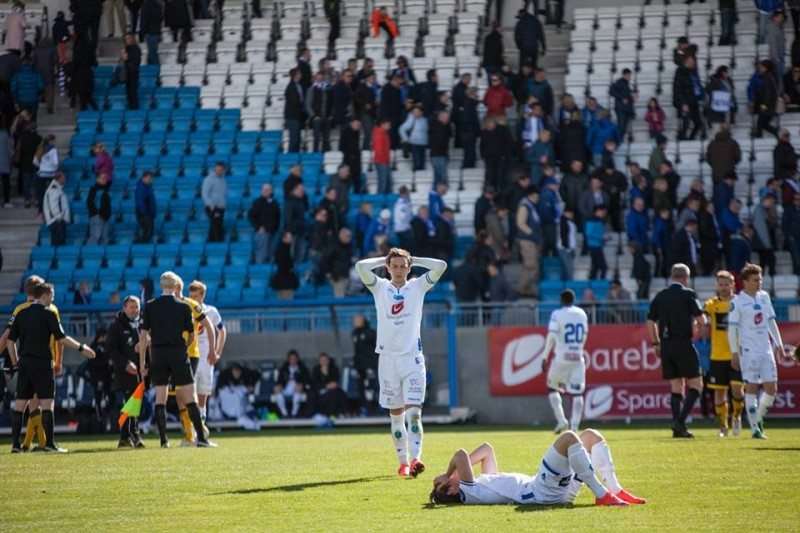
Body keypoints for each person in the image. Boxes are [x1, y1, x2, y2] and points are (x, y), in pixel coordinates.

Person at [355, 248, 447, 478]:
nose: (398, 270)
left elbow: (441, 266)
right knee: (396, 417)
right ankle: (403, 462)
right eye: (393, 266)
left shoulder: (417, 286)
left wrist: (414, 259)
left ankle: (416, 459)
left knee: (413, 415)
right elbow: (360, 267)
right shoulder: (379, 287)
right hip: (387, 361)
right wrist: (385, 258)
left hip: (412, 359)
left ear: (409, 267)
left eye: (402, 266)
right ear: (388, 268)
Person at [429, 429, 644, 506]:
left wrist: (450, 476)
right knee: (569, 438)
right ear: (452, 489)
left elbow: (487, 450)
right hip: (540, 492)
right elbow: (460, 455)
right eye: (444, 484)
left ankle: (615, 489)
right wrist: (447, 473)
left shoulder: (481, 486)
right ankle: (601, 494)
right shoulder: (468, 491)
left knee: (590, 436)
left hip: (551, 492)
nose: (447, 479)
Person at [7, 282, 97, 453]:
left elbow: (11, 341)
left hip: (25, 364)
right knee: (47, 403)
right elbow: (61, 338)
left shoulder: (21, 313)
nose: (53, 297)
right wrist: (81, 348)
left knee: (20, 404)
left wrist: (15, 361)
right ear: (45, 295)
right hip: (42, 364)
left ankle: (15, 446)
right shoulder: (49, 314)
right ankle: (50, 444)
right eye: (52, 294)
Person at [138, 272, 216, 448]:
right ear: (175, 287)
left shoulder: (150, 306)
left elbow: (143, 337)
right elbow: (190, 336)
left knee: (160, 398)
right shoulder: (183, 307)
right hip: (178, 354)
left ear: (161, 286)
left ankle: (164, 440)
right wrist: (182, 347)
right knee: (190, 396)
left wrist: (143, 363)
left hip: (158, 354)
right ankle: (201, 439)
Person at [728, 263, 789, 439]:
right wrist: (734, 352)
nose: (759, 282)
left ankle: (758, 417)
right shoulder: (737, 302)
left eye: (760, 279)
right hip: (748, 350)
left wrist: (778, 343)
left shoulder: (764, 297)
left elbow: (770, 321)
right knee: (752, 387)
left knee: (772, 388)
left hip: (766, 348)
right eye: (755, 280)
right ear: (745, 282)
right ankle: (755, 428)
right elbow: (732, 329)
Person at [646, 263, 707, 439]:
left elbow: (650, 322)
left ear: (672, 277)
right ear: (686, 278)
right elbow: (701, 319)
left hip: (665, 346)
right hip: (683, 344)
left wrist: (655, 343)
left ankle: (677, 429)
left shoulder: (661, 296)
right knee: (696, 385)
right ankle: (679, 421)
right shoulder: (688, 294)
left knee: (676, 386)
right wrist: (698, 327)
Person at [703, 271, 745, 438]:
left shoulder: (739, 303)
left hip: (736, 354)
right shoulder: (711, 304)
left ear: (733, 285)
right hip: (717, 355)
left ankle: (737, 417)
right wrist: (703, 323)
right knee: (719, 392)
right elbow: (703, 317)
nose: (723, 287)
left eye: (727, 284)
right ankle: (723, 426)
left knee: (737, 390)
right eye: (720, 284)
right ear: (716, 286)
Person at [541, 290, 589, 433]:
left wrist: (544, 356)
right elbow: (585, 335)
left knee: (552, 388)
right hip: (577, 357)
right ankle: (575, 427)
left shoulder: (557, 314)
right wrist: (578, 349)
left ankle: (562, 421)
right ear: (573, 300)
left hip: (561, 357)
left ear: (561, 300)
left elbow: (551, 336)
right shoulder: (582, 314)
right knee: (578, 393)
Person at [106, 295, 145, 448]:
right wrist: (125, 363)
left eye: (137, 307)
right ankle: (127, 436)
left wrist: (145, 365)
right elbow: (110, 349)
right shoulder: (116, 326)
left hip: (140, 373)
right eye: (131, 307)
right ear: (124, 308)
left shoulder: (142, 324)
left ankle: (131, 436)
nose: (134, 310)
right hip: (123, 373)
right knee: (127, 405)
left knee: (136, 406)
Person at [188, 281, 226, 435]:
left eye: (196, 296)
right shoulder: (186, 309)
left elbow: (222, 331)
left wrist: (216, 351)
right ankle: (190, 430)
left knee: (203, 393)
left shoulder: (211, 311)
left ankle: (201, 427)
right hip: (190, 356)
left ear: (202, 295)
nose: (193, 299)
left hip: (206, 358)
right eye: (190, 296)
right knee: (190, 393)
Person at [515, 185, 542, 298]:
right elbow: (520, 223)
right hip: (527, 240)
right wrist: (532, 233)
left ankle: (527, 290)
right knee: (531, 265)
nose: (538, 198)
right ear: (531, 195)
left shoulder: (532, 206)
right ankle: (520, 288)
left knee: (532, 266)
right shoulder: (524, 207)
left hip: (532, 240)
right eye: (536, 196)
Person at [249, 183, 281, 264]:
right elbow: (251, 216)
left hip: (273, 232)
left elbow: (278, 216)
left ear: (271, 191)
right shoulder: (257, 202)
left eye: (268, 190)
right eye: (264, 190)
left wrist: (277, 228)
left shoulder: (274, 202)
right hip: (262, 233)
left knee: (272, 254)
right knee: (261, 254)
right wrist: (258, 227)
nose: (266, 191)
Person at [273, 350, 310, 418]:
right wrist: (280, 385)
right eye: (291, 359)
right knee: (276, 389)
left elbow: (307, 381)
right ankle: (284, 413)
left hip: (298, 390)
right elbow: (279, 381)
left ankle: (294, 414)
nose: (293, 360)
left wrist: (302, 385)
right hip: (286, 388)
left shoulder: (303, 369)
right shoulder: (283, 369)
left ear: (297, 359)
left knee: (298, 390)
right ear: (288, 360)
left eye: (294, 359)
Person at [311, 352, 348, 417]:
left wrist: (331, 383)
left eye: (325, 360)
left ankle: (340, 413)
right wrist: (325, 386)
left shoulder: (334, 368)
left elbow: (335, 380)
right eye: (322, 360)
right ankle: (326, 414)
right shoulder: (316, 370)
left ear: (328, 361)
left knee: (338, 394)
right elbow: (315, 383)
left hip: (333, 390)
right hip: (320, 390)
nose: (324, 362)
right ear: (319, 361)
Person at [201, 161, 227, 242]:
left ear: (224, 170)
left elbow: (222, 194)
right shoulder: (209, 179)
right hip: (213, 207)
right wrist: (211, 205)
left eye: (221, 170)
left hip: (221, 208)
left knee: (215, 226)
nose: (219, 171)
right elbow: (204, 194)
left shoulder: (223, 180)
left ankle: (211, 246)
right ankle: (218, 245)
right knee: (216, 226)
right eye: (217, 169)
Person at [43, 172, 70, 246]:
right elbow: (53, 206)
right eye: (63, 178)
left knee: (58, 244)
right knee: (58, 245)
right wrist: (60, 218)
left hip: (57, 221)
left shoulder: (57, 188)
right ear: (59, 179)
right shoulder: (54, 189)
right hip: (57, 222)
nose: (65, 179)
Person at [609, 69, 636, 141]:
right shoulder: (619, 82)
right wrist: (622, 98)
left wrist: (633, 96)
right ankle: (616, 141)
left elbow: (628, 95)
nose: (629, 76)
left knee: (623, 127)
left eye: (630, 75)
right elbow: (611, 91)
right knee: (621, 127)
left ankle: (618, 141)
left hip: (627, 108)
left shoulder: (628, 83)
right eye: (628, 75)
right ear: (624, 75)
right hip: (621, 108)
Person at [399, 105, 428, 171]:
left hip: (423, 144)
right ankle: (416, 178)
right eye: (414, 112)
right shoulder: (411, 120)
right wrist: (406, 139)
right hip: (414, 144)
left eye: (417, 112)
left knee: (422, 164)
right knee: (417, 163)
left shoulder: (425, 120)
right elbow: (401, 129)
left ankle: (420, 178)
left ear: (421, 112)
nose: (416, 113)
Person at [284, 68, 306, 153]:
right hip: (292, 116)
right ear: (295, 75)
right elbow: (295, 102)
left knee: (297, 139)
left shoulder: (298, 85)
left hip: (297, 116)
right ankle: (291, 158)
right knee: (294, 139)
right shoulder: (291, 87)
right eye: (299, 74)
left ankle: (295, 157)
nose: (301, 75)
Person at [87, 172, 112, 245]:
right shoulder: (94, 190)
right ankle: (89, 255)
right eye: (103, 178)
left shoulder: (105, 190)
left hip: (105, 218)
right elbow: (89, 203)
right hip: (97, 217)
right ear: (97, 179)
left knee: (105, 239)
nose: (105, 180)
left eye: (105, 178)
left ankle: (101, 256)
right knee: (95, 237)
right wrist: (97, 213)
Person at [135, 171, 156, 243]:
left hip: (148, 214)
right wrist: (144, 214)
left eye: (151, 178)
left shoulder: (148, 187)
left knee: (149, 232)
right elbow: (140, 202)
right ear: (144, 178)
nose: (151, 180)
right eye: (149, 178)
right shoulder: (141, 188)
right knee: (146, 232)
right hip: (145, 214)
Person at [373, 118, 392, 193]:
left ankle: (386, 202)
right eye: (388, 125)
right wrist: (384, 160)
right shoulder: (379, 134)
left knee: (387, 182)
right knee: (383, 183)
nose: (390, 126)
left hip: (385, 161)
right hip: (381, 161)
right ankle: (379, 202)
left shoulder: (384, 133)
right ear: (382, 124)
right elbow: (379, 150)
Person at [122, 33, 141, 110]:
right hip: (128, 73)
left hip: (133, 73)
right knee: (128, 93)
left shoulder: (136, 48)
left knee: (133, 93)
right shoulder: (127, 48)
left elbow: (134, 60)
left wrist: (125, 56)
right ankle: (131, 107)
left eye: (129, 38)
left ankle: (134, 108)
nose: (127, 40)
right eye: (126, 39)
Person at [141, 0, 163, 65]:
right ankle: (154, 70)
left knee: (152, 55)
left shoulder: (146, 5)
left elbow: (144, 20)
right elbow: (161, 18)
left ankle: (156, 71)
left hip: (150, 33)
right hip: (156, 32)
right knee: (152, 54)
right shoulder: (158, 5)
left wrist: (142, 32)